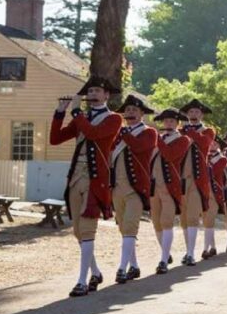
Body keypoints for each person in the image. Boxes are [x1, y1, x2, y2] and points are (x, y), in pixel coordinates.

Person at [49, 77, 123, 297]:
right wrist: (60, 112)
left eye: (97, 90)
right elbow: (55, 139)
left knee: (88, 228)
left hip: (95, 179)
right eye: (89, 90)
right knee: (78, 231)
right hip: (75, 177)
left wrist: (75, 113)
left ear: (106, 95)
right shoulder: (82, 117)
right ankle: (95, 272)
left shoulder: (114, 118)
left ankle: (82, 281)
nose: (92, 94)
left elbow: (92, 134)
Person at [110, 95, 157, 285]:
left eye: (134, 111)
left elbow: (139, 148)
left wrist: (124, 133)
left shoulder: (149, 132)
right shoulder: (119, 134)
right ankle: (134, 265)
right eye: (127, 111)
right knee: (123, 228)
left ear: (142, 114)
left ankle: (121, 268)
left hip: (137, 188)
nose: (130, 114)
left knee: (130, 226)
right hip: (117, 188)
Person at [149, 109, 191, 274]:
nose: (168, 124)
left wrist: (157, 139)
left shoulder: (183, 139)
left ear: (177, 124)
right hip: (153, 185)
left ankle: (163, 259)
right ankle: (166, 253)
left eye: (172, 121)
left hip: (170, 185)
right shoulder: (157, 138)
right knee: (156, 222)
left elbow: (170, 155)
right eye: (166, 121)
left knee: (167, 221)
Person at [178, 99, 215, 266]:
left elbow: (204, 143)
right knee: (184, 218)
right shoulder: (180, 131)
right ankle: (188, 250)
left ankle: (191, 253)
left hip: (197, 178)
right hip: (181, 178)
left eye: (197, 113)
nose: (193, 115)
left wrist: (189, 132)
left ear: (201, 115)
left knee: (193, 216)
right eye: (191, 112)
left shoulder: (207, 131)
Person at [206, 138, 227, 259]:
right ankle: (212, 247)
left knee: (211, 220)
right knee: (208, 222)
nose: (212, 145)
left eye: (215, 143)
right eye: (211, 143)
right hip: (203, 191)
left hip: (216, 192)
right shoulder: (204, 156)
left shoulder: (223, 159)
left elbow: (213, 172)